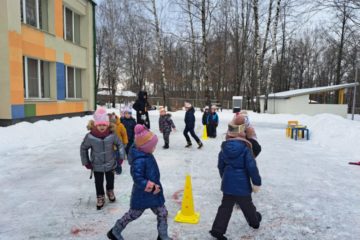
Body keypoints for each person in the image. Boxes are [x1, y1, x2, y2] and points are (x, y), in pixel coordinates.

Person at [107, 125, 172, 240]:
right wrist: (150, 186)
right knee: (133, 214)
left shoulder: (146, 154)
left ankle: (163, 236)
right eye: (153, 146)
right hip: (143, 194)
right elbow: (137, 178)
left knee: (163, 213)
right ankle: (114, 231)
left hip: (154, 193)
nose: (154, 148)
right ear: (144, 147)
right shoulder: (139, 160)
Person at [209, 116, 262, 240]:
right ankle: (254, 222)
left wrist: (224, 178)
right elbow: (252, 167)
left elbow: (220, 166)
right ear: (242, 133)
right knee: (247, 205)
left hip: (228, 183)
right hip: (242, 185)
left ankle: (217, 230)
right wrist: (256, 182)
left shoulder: (224, 148)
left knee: (225, 207)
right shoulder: (245, 148)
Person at [80, 107, 125, 210]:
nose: (101, 127)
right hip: (97, 164)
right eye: (99, 125)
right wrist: (86, 162)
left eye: (104, 125)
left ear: (107, 124)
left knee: (110, 179)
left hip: (110, 163)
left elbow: (120, 145)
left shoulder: (112, 135)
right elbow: (83, 148)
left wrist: (121, 157)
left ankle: (110, 191)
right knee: (98, 182)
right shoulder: (90, 137)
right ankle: (100, 196)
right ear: (96, 124)